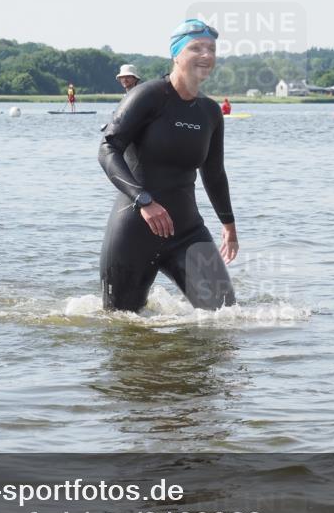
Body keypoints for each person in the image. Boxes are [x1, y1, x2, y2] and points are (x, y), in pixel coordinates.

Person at [98, 19, 239, 312]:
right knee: (122, 327)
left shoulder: (210, 112)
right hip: (134, 231)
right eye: (196, 48)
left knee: (226, 317)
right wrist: (144, 200)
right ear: (176, 54)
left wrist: (229, 225)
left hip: (187, 231)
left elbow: (214, 173)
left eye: (211, 49)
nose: (206, 55)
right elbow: (108, 148)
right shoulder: (148, 96)